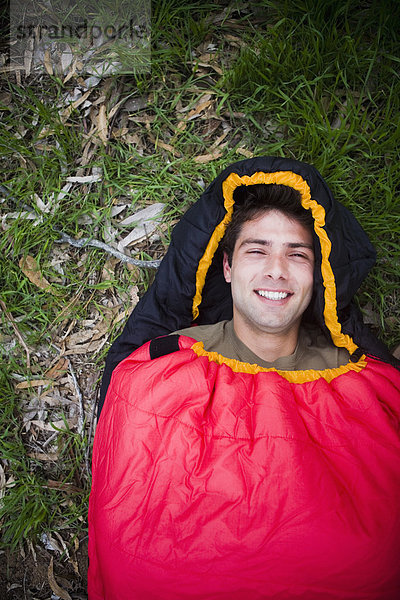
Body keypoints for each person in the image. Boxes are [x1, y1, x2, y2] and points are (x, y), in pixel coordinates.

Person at [88, 157, 400, 600]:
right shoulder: (158, 367)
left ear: (320, 275)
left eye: (297, 254)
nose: (277, 269)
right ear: (228, 268)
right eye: (258, 250)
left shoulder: (371, 389)